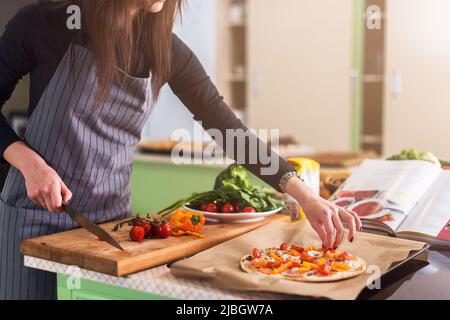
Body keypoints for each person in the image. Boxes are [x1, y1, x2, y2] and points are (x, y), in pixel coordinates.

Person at [0, 0, 361, 300]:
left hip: (110, 227)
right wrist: (28, 162)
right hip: (34, 223)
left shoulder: (164, 48)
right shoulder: (44, 23)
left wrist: (305, 194)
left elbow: (228, 129)